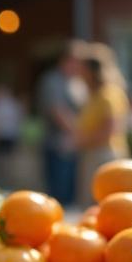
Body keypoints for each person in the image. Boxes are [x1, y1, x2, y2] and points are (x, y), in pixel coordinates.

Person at [76, 42, 130, 200]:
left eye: (82, 69)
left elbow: (109, 130)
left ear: (92, 71)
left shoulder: (108, 94)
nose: (79, 74)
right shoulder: (94, 96)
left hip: (104, 156)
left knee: (104, 201)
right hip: (92, 154)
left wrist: (80, 141)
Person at [38, 40, 89, 205]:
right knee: (60, 195)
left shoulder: (77, 82)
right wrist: (78, 133)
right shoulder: (53, 80)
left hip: (74, 145)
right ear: (66, 60)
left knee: (72, 193)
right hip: (58, 145)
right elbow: (57, 111)